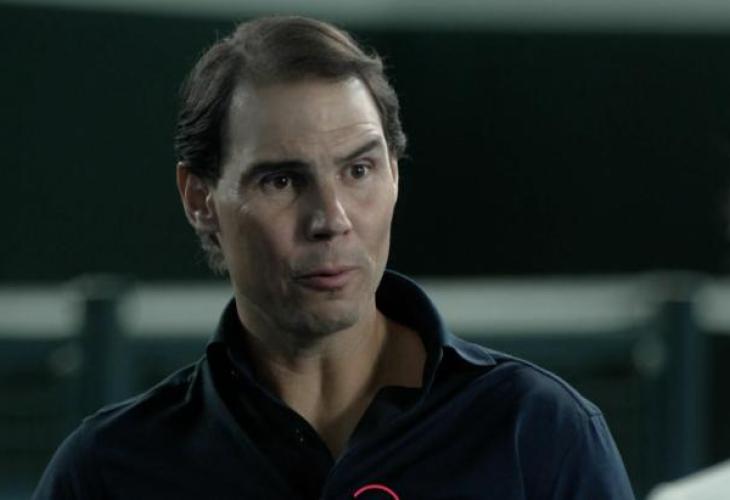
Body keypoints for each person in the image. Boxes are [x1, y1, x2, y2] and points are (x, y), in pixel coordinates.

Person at [33, 16, 635, 499]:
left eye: (359, 170)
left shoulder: (537, 434)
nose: (331, 218)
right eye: (281, 181)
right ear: (200, 199)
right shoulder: (110, 471)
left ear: (395, 174)